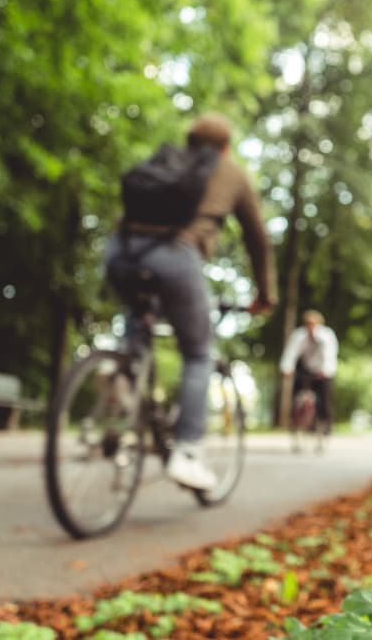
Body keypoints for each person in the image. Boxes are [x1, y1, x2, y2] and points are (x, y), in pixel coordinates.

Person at [105, 112, 275, 490]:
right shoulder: (231, 172)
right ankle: (187, 454)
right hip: (175, 256)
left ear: (190, 141)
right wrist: (265, 294)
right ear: (225, 147)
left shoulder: (167, 160)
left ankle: (121, 372)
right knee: (199, 354)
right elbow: (257, 238)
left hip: (121, 251)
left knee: (139, 316)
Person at [280, 310, 339, 436]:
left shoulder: (326, 335)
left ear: (319, 324)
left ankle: (325, 421)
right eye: (307, 324)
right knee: (297, 389)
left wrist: (326, 370)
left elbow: (330, 354)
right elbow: (290, 353)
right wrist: (286, 368)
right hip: (306, 368)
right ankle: (295, 417)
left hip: (323, 369)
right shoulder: (299, 335)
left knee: (324, 397)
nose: (310, 327)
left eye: (313, 324)